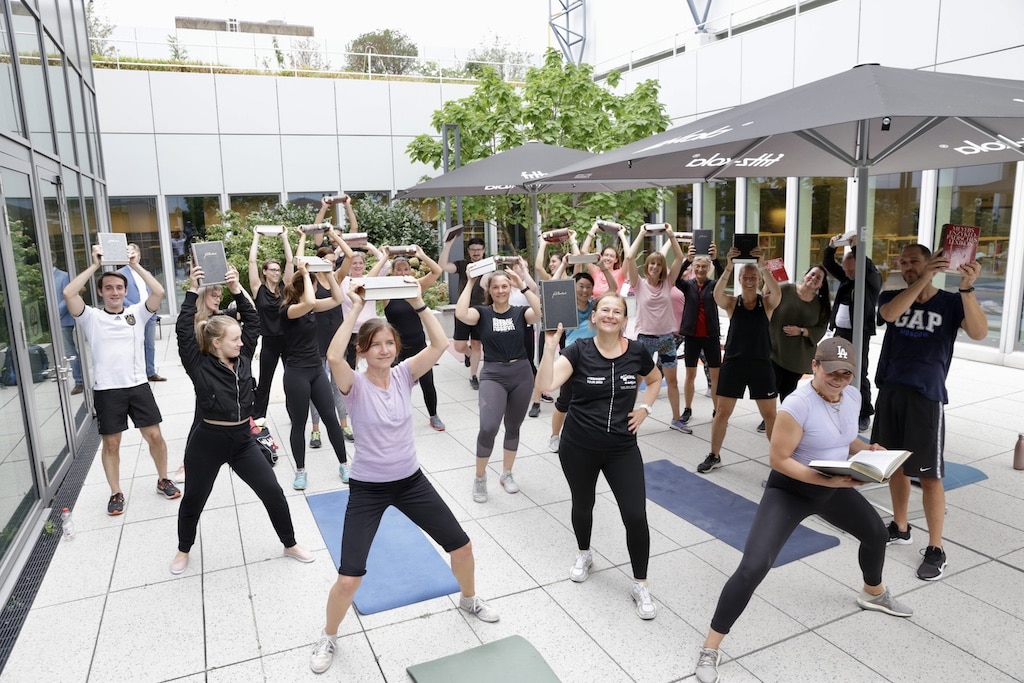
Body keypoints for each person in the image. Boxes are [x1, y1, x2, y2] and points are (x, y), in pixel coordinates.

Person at [693, 337, 913, 683]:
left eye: (846, 373)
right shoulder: (797, 405)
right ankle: (710, 647)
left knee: (875, 533)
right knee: (754, 566)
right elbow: (779, 459)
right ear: (814, 366)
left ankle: (873, 593)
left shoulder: (852, 396)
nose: (838, 379)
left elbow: (844, 439)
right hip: (791, 490)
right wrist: (827, 481)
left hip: (832, 487)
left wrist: (868, 451)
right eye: (831, 372)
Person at [310, 280, 499, 674]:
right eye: (375, 344)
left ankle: (469, 599)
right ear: (363, 351)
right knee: (349, 579)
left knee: (462, 547)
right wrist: (355, 307)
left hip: (411, 482)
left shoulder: (403, 375)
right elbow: (333, 356)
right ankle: (328, 635)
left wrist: (418, 303)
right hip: (368, 489)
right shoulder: (354, 385)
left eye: (389, 344)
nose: (384, 350)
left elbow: (440, 344)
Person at [170, 263, 314, 575]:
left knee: (273, 492)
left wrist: (236, 288)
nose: (240, 342)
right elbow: (183, 330)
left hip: (242, 441)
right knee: (194, 499)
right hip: (207, 441)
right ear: (216, 343)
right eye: (234, 339)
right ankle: (183, 549)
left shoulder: (244, 356)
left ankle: (290, 543)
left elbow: (254, 322)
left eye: (240, 338)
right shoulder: (198, 364)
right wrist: (192, 290)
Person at [537, 292, 663, 619]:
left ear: (624, 320)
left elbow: (655, 379)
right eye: (604, 310)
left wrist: (646, 408)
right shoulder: (578, 350)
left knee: (635, 515)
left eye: (617, 311)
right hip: (579, 446)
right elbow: (546, 384)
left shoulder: (636, 351)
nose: (610, 315)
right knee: (583, 504)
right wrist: (550, 346)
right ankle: (584, 553)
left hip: (622, 447)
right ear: (593, 317)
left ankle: (640, 583)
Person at [873, 243, 986, 581]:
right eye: (904, 262)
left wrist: (966, 288)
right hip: (891, 391)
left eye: (915, 261)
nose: (908, 266)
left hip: (926, 397)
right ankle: (900, 526)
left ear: (931, 263)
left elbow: (979, 332)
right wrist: (923, 279)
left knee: (929, 475)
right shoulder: (892, 295)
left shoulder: (951, 303)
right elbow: (889, 315)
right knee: (894, 466)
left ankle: (936, 548)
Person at [63, 243, 179, 515]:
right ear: (101, 292)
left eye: (119, 288)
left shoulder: (136, 313)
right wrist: (95, 265)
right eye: (109, 288)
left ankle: (163, 479)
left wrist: (135, 264)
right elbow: (69, 293)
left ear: (126, 291)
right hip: (107, 390)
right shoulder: (91, 317)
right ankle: (116, 492)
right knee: (112, 443)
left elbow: (159, 292)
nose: (114, 292)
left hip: (138, 386)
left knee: (155, 437)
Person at [456, 268, 541, 503]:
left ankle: (507, 473)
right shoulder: (482, 313)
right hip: (493, 375)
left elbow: (540, 313)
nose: (501, 290)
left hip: (521, 373)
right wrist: (470, 281)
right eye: (496, 287)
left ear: (510, 288)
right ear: (489, 290)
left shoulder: (520, 313)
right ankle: (480, 477)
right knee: (488, 427)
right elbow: (461, 313)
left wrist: (522, 285)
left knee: (513, 426)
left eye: (505, 286)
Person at [698, 248, 780, 474]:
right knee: (722, 413)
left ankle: (779, 462)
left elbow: (777, 293)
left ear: (759, 280)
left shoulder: (767, 303)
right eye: (746, 277)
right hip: (734, 364)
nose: (750, 281)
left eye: (754, 277)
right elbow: (716, 295)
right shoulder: (733, 303)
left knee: (770, 415)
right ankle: (714, 455)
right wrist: (729, 266)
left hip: (761, 364)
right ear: (740, 280)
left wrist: (763, 265)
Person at [279, 255, 349, 490]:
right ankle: (300, 471)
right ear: (308, 286)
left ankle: (344, 464)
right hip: (296, 373)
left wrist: (328, 272)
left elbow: (338, 299)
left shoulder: (311, 307)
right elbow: (309, 301)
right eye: (314, 284)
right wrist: (305, 273)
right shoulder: (288, 310)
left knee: (330, 418)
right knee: (299, 424)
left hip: (316, 371)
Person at [298, 226, 358, 452]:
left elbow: (350, 255)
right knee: (317, 388)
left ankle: (344, 425)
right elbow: (299, 262)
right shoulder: (312, 281)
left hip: (337, 339)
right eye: (327, 261)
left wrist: (333, 235)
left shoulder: (336, 278)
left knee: (338, 385)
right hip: (316, 340)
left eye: (333, 261)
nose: (331, 264)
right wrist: (303, 238)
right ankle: (315, 429)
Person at [624, 223, 687, 431]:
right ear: (647, 266)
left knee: (672, 381)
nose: (655, 267)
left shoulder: (668, 282)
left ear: (662, 268)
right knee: (636, 380)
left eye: (659, 264)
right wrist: (642, 232)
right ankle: (626, 416)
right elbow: (629, 258)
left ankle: (676, 419)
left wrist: (671, 234)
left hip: (666, 338)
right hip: (645, 339)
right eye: (652, 263)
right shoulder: (639, 284)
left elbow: (679, 258)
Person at [379, 245, 446, 430]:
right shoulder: (386, 291)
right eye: (398, 270)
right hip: (396, 347)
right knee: (394, 385)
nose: (402, 273)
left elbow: (437, 271)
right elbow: (369, 280)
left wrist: (421, 255)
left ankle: (433, 415)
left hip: (418, 343)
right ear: (392, 272)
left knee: (427, 382)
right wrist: (384, 257)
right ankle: (393, 417)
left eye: (406, 269)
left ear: (411, 271)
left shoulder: (417, 286)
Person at [823, 232, 882, 432]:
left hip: (859, 333)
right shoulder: (847, 279)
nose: (847, 273)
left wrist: (856, 247)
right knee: (836, 369)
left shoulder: (871, 279)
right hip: (840, 333)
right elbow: (828, 264)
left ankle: (864, 412)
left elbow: (867, 267)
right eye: (845, 269)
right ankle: (840, 404)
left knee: (858, 372)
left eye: (850, 269)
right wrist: (832, 247)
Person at [762, 264, 831, 431]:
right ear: (805, 275)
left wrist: (801, 331)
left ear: (821, 284)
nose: (814, 279)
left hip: (798, 356)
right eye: (812, 274)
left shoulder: (821, 304)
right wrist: (768, 276)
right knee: (770, 387)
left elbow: (821, 329)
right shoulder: (786, 289)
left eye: (818, 278)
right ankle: (769, 418)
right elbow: (767, 298)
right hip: (775, 349)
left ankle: (786, 420)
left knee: (788, 391)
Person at [675, 243, 725, 425]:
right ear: (693, 268)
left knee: (715, 376)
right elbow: (675, 279)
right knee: (690, 375)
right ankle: (687, 409)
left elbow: (724, 277)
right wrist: (687, 261)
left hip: (711, 337)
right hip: (692, 337)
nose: (700, 269)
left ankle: (717, 410)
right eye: (697, 266)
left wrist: (716, 259)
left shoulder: (714, 285)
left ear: (708, 268)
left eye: (704, 266)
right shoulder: (688, 285)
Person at [248, 226, 294, 421]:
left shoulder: (285, 287)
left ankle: (295, 415)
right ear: (265, 272)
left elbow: (290, 261)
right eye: (272, 270)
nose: (276, 273)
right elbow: (252, 261)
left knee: (292, 381)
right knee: (264, 382)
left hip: (288, 339)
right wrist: (256, 237)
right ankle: (259, 419)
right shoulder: (258, 289)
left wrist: (284, 237)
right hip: (269, 341)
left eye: (278, 270)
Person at [439, 236, 487, 389]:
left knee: (477, 344)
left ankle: (473, 376)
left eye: (478, 250)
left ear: (483, 250)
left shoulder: (489, 266)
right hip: (463, 310)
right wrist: (448, 244)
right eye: (473, 250)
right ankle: (468, 353)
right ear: (468, 251)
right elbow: (443, 266)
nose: (476, 252)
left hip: (481, 311)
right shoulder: (462, 265)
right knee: (459, 346)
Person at [118, 242, 165, 382]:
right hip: (132, 314)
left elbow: (153, 290)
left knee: (149, 344)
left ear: (139, 255)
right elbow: (120, 296)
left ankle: (150, 372)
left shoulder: (146, 273)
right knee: (134, 344)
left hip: (149, 313)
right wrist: (133, 308)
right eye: (129, 253)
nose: (132, 255)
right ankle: (135, 372)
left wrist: (153, 307)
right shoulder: (120, 274)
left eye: (135, 253)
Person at [52, 256, 84, 394]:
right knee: (60, 351)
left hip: (63, 320)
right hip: (51, 321)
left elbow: (68, 296)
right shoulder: (44, 277)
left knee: (69, 351)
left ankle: (79, 381)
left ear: (54, 260)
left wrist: (55, 313)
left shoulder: (63, 276)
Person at [580, 221, 631, 298]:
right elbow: (584, 254)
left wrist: (622, 235)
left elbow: (628, 256)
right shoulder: (596, 272)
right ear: (601, 257)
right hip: (597, 304)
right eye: (606, 255)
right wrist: (593, 230)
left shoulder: (620, 273)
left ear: (616, 260)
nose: (608, 258)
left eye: (611, 256)